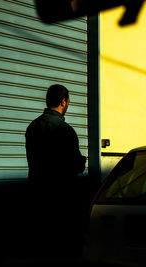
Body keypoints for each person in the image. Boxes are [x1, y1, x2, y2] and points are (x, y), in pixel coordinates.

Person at [25, 84, 86, 257]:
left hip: (36, 195)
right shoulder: (65, 130)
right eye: (68, 102)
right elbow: (75, 165)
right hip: (60, 200)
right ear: (64, 102)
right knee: (60, 248)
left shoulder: (33, 127)